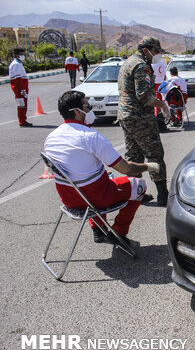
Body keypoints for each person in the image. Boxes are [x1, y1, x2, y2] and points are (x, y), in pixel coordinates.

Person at [44, 90, 160, 245]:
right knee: (139, 185)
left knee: (101, 178)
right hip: (95, 197)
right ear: (77, 112)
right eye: (87, 106)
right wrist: (148, 166)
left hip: (70, 199)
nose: (90, 110)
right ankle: (118, 232)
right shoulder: (91, 137)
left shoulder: (51, 137)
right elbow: (126, 169)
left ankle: (98, 229)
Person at [117, 36, 170, 206]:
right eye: (155, 51)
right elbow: (144, 96)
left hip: (126, 115)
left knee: (134, 154)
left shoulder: (129, 61)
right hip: (140, 118)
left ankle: (136, 194)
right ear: (145, 50)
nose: (157, 55)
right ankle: (163, 195)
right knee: (155, 155)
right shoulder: (141, 66)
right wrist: (163, 105)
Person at [8, 48, 32, 127]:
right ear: (16, 55)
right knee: (21, 105)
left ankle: (23, 120)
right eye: (21, 54)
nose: (23, 56)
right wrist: (22, 90)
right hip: (20, 89)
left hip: (22, 89)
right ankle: (22, 122)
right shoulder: (16, 64)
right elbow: (18, 79)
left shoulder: (18, 63)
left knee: (23, 105)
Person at [152, 57, 168, 132]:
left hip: (155, 83)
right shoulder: (162, 64)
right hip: (161, 83)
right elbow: (165, 76)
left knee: (156, 100)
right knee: (161, 99)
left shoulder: (153, 65)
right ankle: (161, 114)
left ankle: (157, 115)